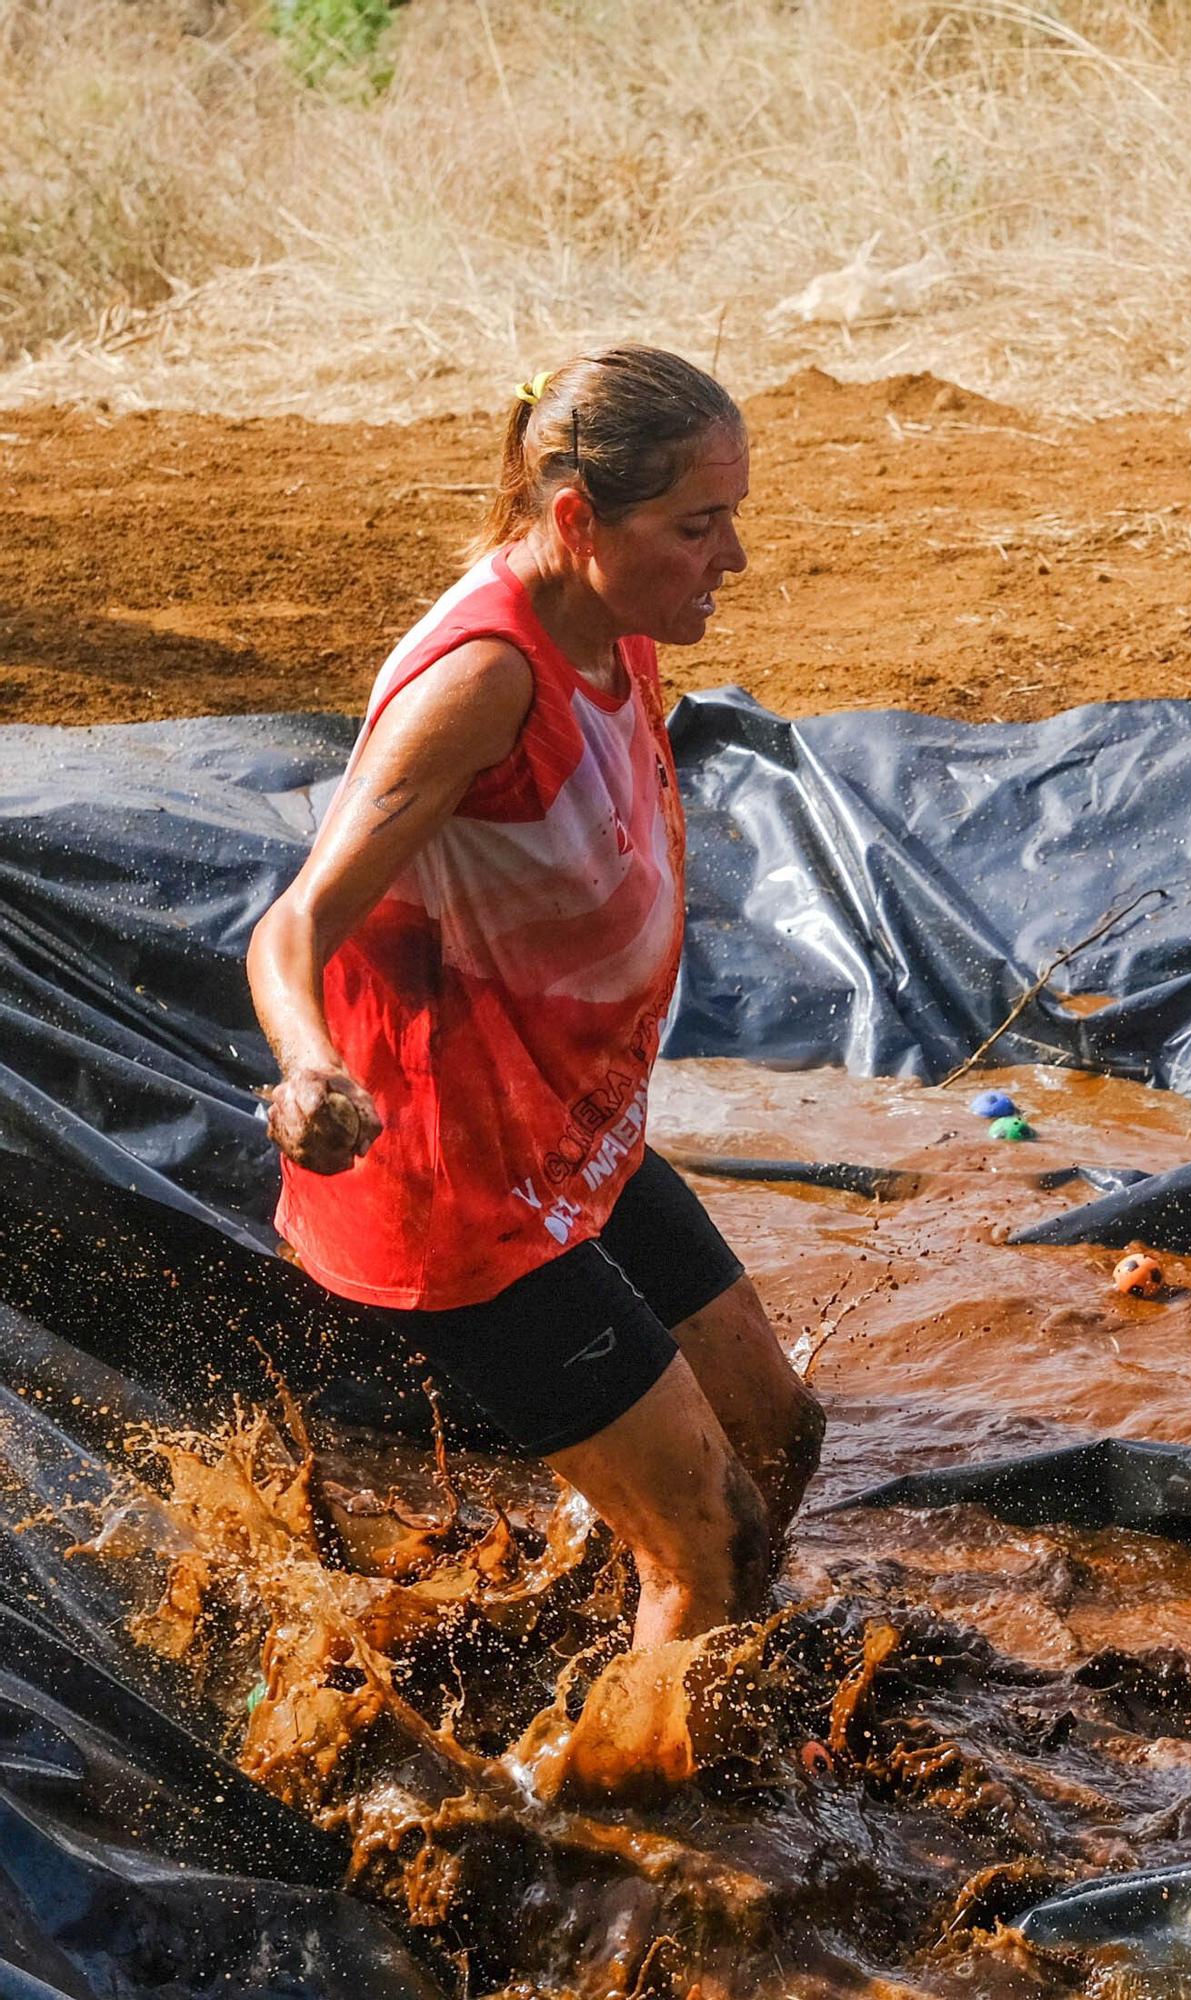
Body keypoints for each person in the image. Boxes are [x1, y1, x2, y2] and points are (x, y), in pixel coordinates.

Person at [247, 344, 824, 1649]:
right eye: (698, 525)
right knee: (717, 1550)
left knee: (774, 1438)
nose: (731, 557)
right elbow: (292, 925)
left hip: (572, 1140)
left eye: (733, 516)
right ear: (578, 521)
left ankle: (617, 1655)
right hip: (463, 1191)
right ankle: (623, 1828)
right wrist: (310, 1069)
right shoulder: (483, 680)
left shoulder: (619, 619)